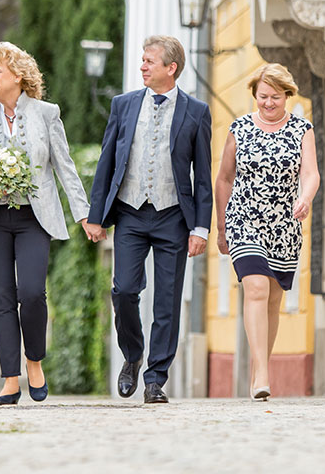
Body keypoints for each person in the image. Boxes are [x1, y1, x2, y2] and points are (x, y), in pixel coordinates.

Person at [84, 35, 212, 404]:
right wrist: (96, 215)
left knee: (167, 302)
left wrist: (200, 228)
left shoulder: (196, 111)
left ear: (170, 69)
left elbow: (202, 175)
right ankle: (133, 354)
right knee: (124, 291)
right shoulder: (123, 105)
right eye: (142, 60)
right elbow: (108, 162)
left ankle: (156, 378)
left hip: (174, 215)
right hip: (130, 213)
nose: (141, 66)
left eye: (149, 61)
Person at [0, 42, 90, 406]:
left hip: (35, 217)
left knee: (32, 293)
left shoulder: (47, 113)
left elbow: (64, 166)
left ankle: (34, 360)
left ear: (17, 75)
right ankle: (10, 379)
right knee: (1, 298)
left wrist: (84, 213)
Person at [214, 62, 320, 401]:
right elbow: (225, 178)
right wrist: (221, 227)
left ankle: (262, 364)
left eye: (275, 97)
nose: (268, 103)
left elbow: (311, 173)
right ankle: (260, 373)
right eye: (262, 96)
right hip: (244, 219)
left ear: (287, 95)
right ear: (254, 95)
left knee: (274, 298)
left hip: (284, 226)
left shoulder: (303, 129)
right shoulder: (240, 128)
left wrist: (305, 198)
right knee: (256, 288)